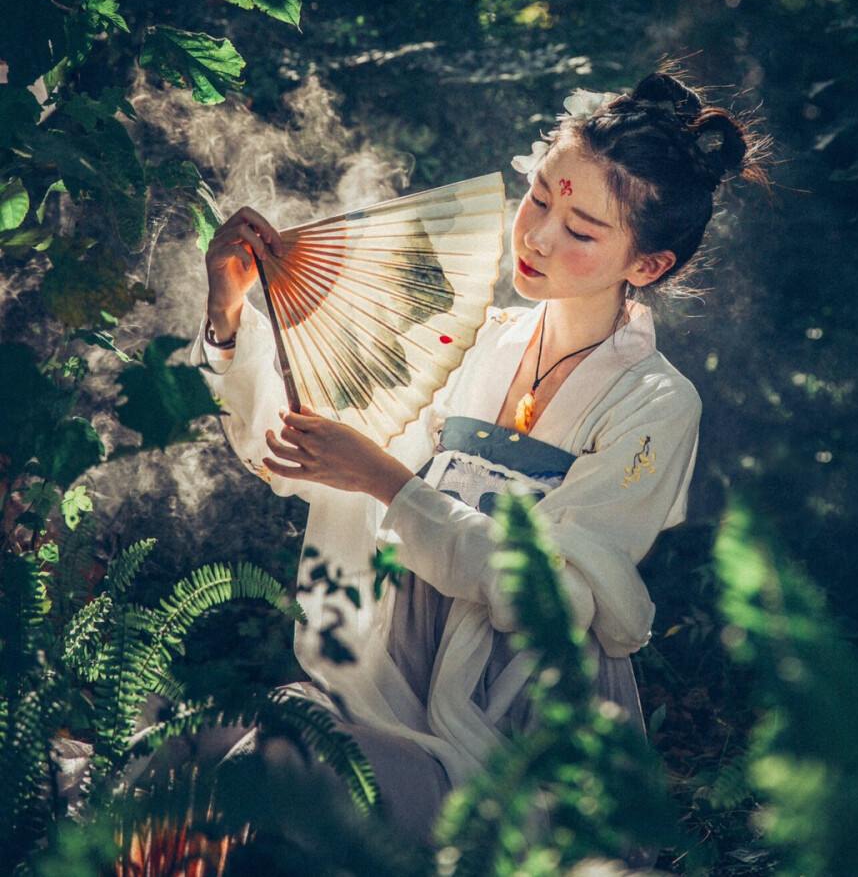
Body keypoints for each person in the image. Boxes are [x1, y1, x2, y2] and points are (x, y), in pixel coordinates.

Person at [192, 67, 765, 837]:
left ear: (648, 265)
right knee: (189, 768)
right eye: (539, 197)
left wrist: (390, 482)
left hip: (516, 730)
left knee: (276, 772)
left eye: (582, 230)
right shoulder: (467, 341)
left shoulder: (657, 404)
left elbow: (551, 598)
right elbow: (299, 452)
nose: (536, 236)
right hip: (389, 678)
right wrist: (229, 312)